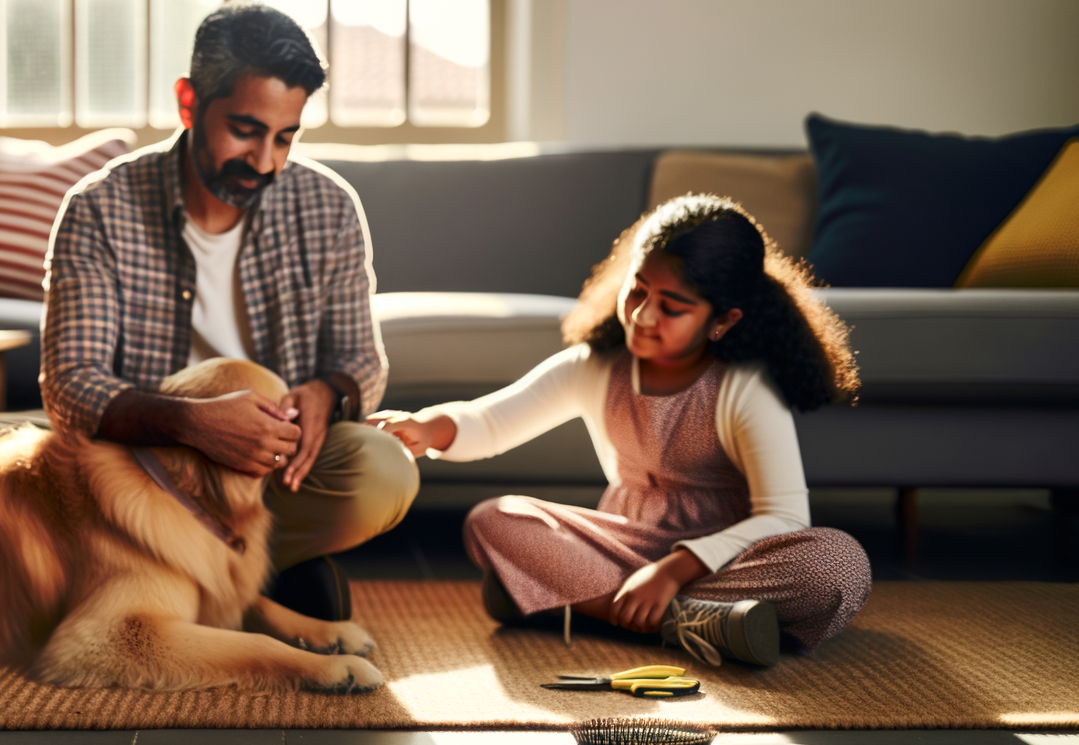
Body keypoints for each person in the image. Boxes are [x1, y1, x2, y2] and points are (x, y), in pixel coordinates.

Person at [0, 1, 418, 620]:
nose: (265, 161)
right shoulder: (99, 207)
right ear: (189, 102)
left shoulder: (330, 207)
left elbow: (361, 362)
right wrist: (191, 423)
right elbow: (71, 384)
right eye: (245, 130)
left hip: (267, 471)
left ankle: (170, 582)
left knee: (383, 472)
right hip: (132, 469)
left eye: (285, 136)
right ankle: (256, 583)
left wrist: (331, 393)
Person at [371, 195, 870, 666]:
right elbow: (491, 422)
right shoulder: (595, 366)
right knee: (494, 518)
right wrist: (426, 429)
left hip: (728, 561)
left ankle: (577, 603)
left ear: (723, 320)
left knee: (838, 565)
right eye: (637, 290)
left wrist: (672, 572)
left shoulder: (744, 386)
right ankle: (694, 623)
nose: (643, 315)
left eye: (672, 307)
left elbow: (784, 517)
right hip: (622, 549)